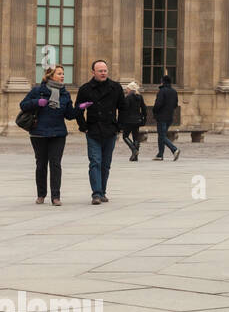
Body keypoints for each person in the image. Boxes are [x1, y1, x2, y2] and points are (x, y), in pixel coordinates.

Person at [20, 65, 75, 205]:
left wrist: (79, 109)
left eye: (63, 73)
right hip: (39, 133)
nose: (62, 76)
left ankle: (56, 197)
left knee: (56, 164)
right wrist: (36, 102)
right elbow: (23, 105)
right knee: (41, 164)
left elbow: (69, 115)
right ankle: (41, 194)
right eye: (59, 73)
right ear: (50, 76)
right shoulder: (38, 91)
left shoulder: (65, 93)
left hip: (58, 133)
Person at [75, 60, 126, 205]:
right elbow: (78, 108)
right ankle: (96, 194)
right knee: (95, 162)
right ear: (93, 72)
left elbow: (123, 108)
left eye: (105, 70)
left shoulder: (115, 87)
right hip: (93, 130)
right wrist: (83, 126)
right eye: (100, 71)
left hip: (110, 130)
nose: (103, 73)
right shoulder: (85, 89)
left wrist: (119, 126)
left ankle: (102, 191)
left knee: (106, 164)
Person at [152, 73, 180, 161]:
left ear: (163, 82)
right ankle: (160, 155)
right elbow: (175, 105)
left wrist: (155, 111)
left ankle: (174, 149)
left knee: (162, 136)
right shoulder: (174, 91)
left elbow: (158, 104)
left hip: (161, 116)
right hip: (169, 117)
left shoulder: (162, 91)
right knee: (162, 135)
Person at [120, 82, 147, 161]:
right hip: (137, 120)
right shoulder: (140, 97)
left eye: (127, 89)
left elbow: (125, 110)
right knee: (135, 137)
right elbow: (144, 108)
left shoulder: (128, 97)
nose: (126, 90)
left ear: (130, 89)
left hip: (128, 120)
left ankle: (134, 150)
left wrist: (122, 120)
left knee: (125, 136)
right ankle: (135, 157)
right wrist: (143, 117)